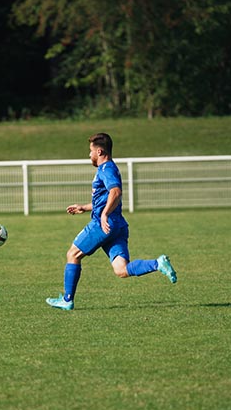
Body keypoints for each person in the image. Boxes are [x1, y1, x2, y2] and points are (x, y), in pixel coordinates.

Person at [46, 132, 177, 310]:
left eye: (91, 151)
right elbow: (106, 198)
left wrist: (104, 215)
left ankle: (67, 300)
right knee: (121, 270)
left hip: (104, 224)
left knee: (73, 254)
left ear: (99, 151)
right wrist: (84, 207)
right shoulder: (108, 169)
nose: (89, 155)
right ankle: (158, 263)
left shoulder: (106, 169)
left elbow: (115, 192)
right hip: (118, 225)